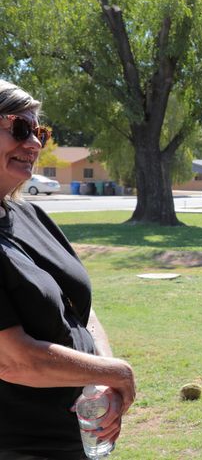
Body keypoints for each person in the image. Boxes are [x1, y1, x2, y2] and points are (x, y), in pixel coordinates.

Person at [0, 80, 136, 460]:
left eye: (39, 131)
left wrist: (100, 378)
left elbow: (81, 311)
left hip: (74, 437)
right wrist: (116, 373)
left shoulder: (31, 215)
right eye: (20, 129)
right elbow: (13, 360)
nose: (35, 144)